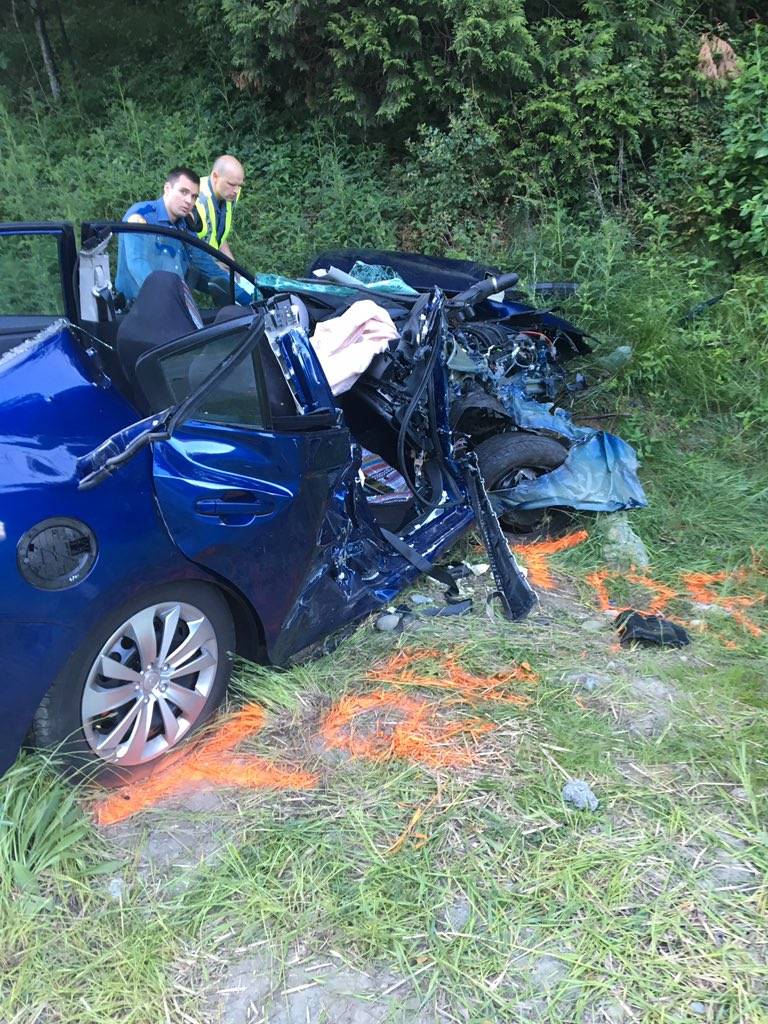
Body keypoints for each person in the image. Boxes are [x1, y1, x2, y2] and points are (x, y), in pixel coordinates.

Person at [115, 166, 203, 304]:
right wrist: (169, 301)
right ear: (167, 188)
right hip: (138, 308)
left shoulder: (185, 225)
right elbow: (138, 265)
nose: (189, 201)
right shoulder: (142, 215)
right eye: (183, 192)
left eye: (194, 196)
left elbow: (201, 261)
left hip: (173, 305)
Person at [195, 155, 245, 261]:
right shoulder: (196, 200)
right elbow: (186, 249)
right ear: (215, 177)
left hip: (210, 263)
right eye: (231, 184)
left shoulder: (228, 195)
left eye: (239, 185)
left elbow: (217, 236)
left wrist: (233, 267)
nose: (236, 191)